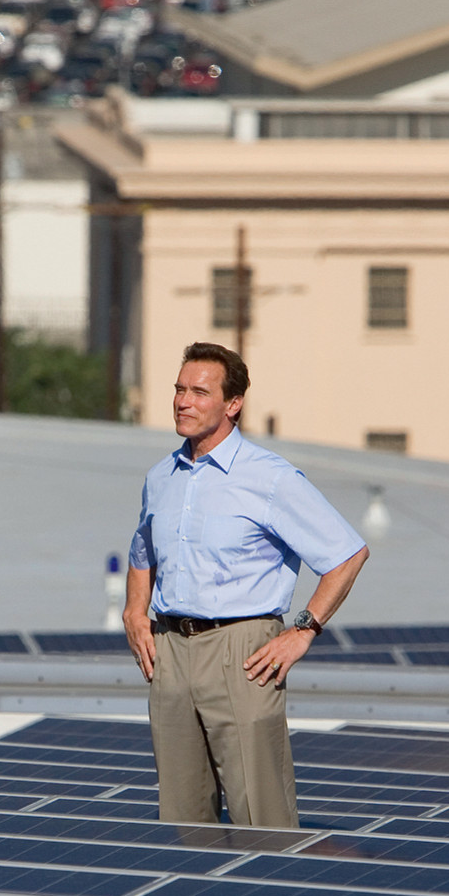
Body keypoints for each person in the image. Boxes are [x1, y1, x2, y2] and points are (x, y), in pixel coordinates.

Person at [123, 342, 370, 827]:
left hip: (243, 653)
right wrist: (135, 611)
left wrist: (304, 630)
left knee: (262, 819)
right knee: (181, 819)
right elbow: (141, 551)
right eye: (179, 389)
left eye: (199, 392)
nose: (183, 402)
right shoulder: (161, 477)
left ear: (233, 404)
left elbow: (346, 554)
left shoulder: (270, 478)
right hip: (170, 651)